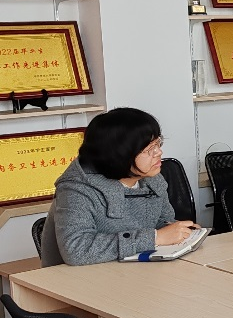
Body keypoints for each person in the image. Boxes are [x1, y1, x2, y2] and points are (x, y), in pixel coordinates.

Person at [40, 108, 197, 266]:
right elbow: (76, 250)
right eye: (149, 149)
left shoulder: (152, 177)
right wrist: (155, 238)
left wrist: (178, 230)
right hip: (82, 276)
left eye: (158, 143)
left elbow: (161, 221)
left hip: (137, 269)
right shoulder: (77, 189)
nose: (159, 152)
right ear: (120, 155)